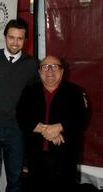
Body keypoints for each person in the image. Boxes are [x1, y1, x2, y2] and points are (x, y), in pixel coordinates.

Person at [0, 18, 39, 192]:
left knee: (15, 180)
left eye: (20, 38)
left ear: (25, 40)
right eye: (11, 37)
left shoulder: (32, 64)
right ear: (5, 37)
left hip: (17, 131)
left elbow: (37, 97)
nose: (15, 42)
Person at [17, 56, 87, 192]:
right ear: (39, 71)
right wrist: (47, 131)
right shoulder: (29, 91)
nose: (50, 70)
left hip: (65, 157)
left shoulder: (75, 92)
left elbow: (81, 117)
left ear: (62, 71)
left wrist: (60, 127)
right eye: (45, 67)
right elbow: (22, 117)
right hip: (35, 157)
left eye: (55, 67)